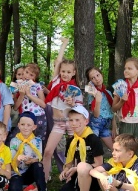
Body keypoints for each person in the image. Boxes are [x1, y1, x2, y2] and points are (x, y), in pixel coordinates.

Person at [42, 37, 83, 181]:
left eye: (68, 72)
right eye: (63, 71)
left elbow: (79, 111)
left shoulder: (75, 89)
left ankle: (75, 180)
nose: (65, 74)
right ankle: (43, 181)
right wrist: (64, 44)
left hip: (72, 124)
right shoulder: (56, 81)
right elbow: (59, 60)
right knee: (48, 151)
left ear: (73, 73)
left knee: (74, 154)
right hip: (58, 123)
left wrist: (72, 104)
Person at [52, 105, 104, 191]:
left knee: (82, 166)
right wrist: (66, 170)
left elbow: (99, 164)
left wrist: (77, 168)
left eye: (77, 120)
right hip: (78, 176)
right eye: (71, 120)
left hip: (93, 176)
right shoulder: (71, 141)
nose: (73, 123)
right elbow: (68, 164)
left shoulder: (93, 139)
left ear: (86, 121)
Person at [111, 58, 138, 169]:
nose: (126, 71)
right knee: (124, 148)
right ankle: (124, 171)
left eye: (130, 68)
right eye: (125, 68)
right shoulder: (119, 88)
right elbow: (113, 108)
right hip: (125, 123)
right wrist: (122, 101)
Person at [7, 112, 53, 191]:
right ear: (18, 125)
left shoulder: (37, 141)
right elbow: (11, 164)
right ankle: (17, 188)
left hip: (30, 172)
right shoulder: (14, 141)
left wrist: (31, 160)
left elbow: (38, 158)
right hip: (17, 173)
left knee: (38, 166)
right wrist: (18, 158)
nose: (25, 127)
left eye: (29, 125)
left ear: (34, 127)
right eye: (23, 124)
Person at [13, 63, 47, 143]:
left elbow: (43, 104)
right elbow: (15, 107)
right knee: (19, 139)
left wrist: (29, 94)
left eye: (31, 75)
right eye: (26, 72)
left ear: (34, 77)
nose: (27, 76)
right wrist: (22, 95)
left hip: (39, 116)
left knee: (38, 141)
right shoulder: (18, 86)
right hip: (25, 117)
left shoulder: (37, 86)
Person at [85, 67, 116, 152]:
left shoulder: (108, 93)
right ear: (90, 81)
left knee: (114, 149)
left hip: (106, 125)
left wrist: (114, 127)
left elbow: (112, 111)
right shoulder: (92, 93)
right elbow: (96, 114)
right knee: (92, 149)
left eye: (98, 75)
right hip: (96, 124)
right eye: (92, 78)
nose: (96, 79)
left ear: (102, 75)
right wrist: (97, 98)